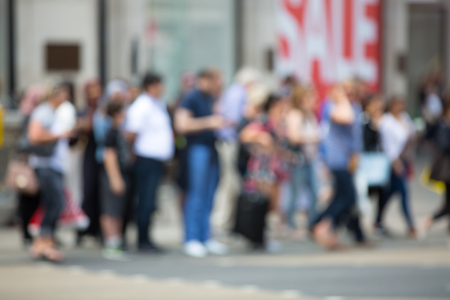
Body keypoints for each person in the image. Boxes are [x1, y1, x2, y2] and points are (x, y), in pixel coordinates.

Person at [174, 69, 227, 258]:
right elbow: (181, 124)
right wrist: (209, 122)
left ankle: (205, 236)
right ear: (205, 80)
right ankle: (192, 238)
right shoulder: (191, 97)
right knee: (196, 194)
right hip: (197, 149)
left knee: (209, 194)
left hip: (211, 148)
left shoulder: (211, 98)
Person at [312, 84, 365, 249]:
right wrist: (341, 99)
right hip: (337, 159)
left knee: (343, 197)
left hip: (350, 159)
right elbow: (347, 118)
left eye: (352, 92)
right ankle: (321, 225)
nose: (349, 95)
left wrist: (356, 156)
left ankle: (326, 228)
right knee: (349, 197)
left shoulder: (355, 106)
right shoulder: (332, 106)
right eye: (346, 92)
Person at [126, 73, 174, 252]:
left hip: (156, 159)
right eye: (159, 85)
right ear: (150, 86)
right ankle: (142, 239)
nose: (162, 89)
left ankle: (147, 237)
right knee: (145, 200)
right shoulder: (142, 106)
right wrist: (133, 154)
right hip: (146, 159)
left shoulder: (157, 104)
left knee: (151, 200)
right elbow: (131, 133)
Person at [27, 82, 73, 262]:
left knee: (51, 202)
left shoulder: (55, 113)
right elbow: (35, 136)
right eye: (63, 94)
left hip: (56, 165)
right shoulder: (43, 112)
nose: (66, 97)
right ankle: (43, 240)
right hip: (45, 165)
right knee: (56, 202)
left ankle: (45, 241)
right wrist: (60, 134)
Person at [213, 67, 261, 234]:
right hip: (229, 142)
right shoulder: (238, 93)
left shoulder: (233, 92)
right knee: (230, 183)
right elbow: (232, 119)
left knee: (230, 183)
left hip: (229, 141)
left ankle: (227, 222)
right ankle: (221, 222)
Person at [376, 96, 417, 237]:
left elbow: (412, 134)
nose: (400, 107)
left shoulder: (404, 117)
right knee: (403, 192)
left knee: (390, 192)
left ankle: (377, 219)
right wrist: (395, 162)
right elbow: (387, 144)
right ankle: (411, 225)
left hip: (405, 158)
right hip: (394, 161)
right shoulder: (387, 121)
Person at [285, 85, 321, 232]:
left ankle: (312, 223)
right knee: (295, 193)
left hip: (309, 159)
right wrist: (314, 138)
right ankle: (290, 225)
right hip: (298, 160)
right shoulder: (295, 114)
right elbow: (293, 137)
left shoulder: (309, 115)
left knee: (314, 192)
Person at [100, 102, 130, 260]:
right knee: (110, 210)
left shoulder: (119, 131)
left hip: (121, 174)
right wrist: (115, 178)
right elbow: (109, 156)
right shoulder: (111, 132)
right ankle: (110, 243)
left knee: (118, 210)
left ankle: (116, 241)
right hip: (113, 175)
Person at [17, 84, 45, 246]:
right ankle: (27, 232)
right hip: (28, 163)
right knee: (28, 197)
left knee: (38, 199)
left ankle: (35, 230)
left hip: (38, 162)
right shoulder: (28, 114)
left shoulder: (39, 113)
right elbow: (27, 141)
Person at [77, 79, 103, 245]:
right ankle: (83, 229)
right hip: (88, 155)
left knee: (102, 193)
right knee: (88, 191)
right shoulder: (83, 112)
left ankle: (99, 230)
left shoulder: (103, 111)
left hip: (103, 155)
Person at [421, 103, 450, 244]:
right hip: (447, 170)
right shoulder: (443, 125)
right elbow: (442, 144)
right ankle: (430, 219)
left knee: (448, 202)